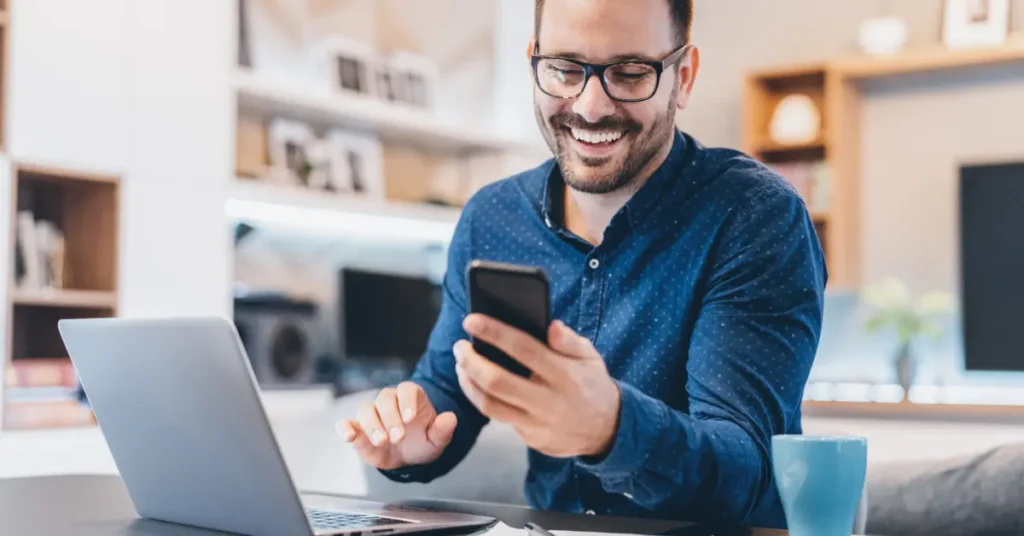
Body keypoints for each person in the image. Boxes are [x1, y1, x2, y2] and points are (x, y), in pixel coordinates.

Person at [338, 0, 826, 529]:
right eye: (566, 70)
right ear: (534, 63)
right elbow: (450, 388)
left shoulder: (753, 216)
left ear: (682, 78)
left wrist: (612, 429)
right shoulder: (492, 218)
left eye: (630, 72)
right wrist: (414, 434)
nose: (590, 106)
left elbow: (746, 470)